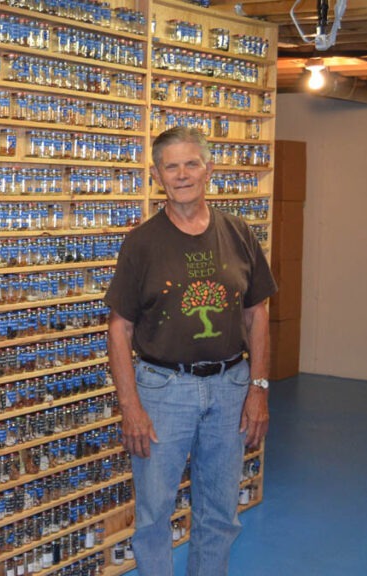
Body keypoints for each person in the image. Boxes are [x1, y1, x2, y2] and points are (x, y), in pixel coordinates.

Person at [105, 126, 276, 575]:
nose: (182, 174)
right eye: (171, 165)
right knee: (154, 517)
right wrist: (131, 407)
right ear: (158, 174)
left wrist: (258, 388)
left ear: (209, 169)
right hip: (163, 391)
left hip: (231, 388)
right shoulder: (141, 243)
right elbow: (119, 329)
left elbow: (258, 314)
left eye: (191, 163)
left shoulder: (239, 233)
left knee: (220, 514)